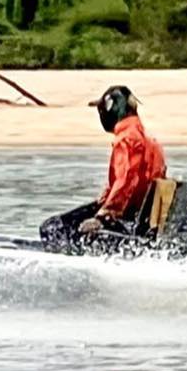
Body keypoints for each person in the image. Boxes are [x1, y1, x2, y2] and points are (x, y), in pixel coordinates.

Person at [40, 84, 167, 250]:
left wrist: (104, 215)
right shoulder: (148, 138)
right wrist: (104, 200)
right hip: (141, 212)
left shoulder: (128, 138)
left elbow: (127, 180)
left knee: (52, 228)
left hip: (126, 212)